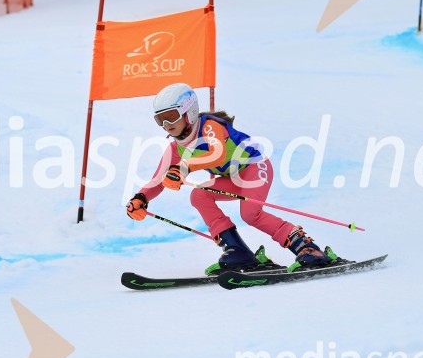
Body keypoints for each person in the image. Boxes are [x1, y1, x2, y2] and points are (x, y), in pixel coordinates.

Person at [125, 83, 340, 274]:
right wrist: (140, 198)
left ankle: (307, 248)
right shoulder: (176, 148)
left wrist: (185, 167)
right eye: (159, 120)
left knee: (250, 213)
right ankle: (237, 251)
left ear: (189, 112)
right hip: (233, 177)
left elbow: (216, 153)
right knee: (199, 196)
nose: (166, 125)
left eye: (170, 116)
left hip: (254, 167)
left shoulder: (209, 126)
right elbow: (157, 180)